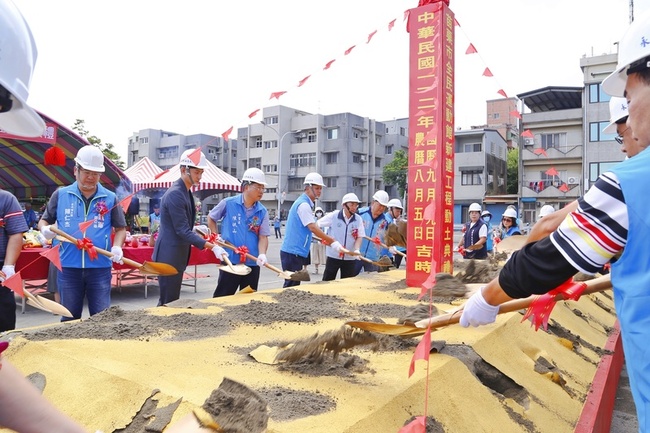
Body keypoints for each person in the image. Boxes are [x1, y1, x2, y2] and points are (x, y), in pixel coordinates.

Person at [459, 12, 650, 430]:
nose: (626, 127)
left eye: (631, 98)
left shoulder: (630, 182)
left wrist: (486, 299)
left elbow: (545, 260)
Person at [38, 145, 127, 321]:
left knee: (102, 318)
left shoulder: (110, 198)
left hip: (100, 267)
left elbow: (121, 228)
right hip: (68, 267)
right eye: (86, 172)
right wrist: (44, 230)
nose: (90, 178)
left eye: (95, 174)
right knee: (69, 317)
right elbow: (44, 220)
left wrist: (117, 247)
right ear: (75, 170)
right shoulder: (61, 194)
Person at [153, 148, 221, 305]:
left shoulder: (185, 191)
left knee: (171, 300)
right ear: (184, 170)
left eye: (201, 173)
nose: (200, 177)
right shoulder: (176, 193)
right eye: (197, 172)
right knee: (167, 302)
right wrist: (211, 246)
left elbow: (182, 225)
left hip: (175, 255)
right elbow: (181, 230)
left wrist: (197, 229)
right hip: (169, 256)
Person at [207, 167, 270, 297]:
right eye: (258, 187)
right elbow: (211, 218)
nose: (261, 191)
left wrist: (262, 254)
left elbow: (263, 237)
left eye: (263, 188)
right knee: (223, 296)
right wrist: (216, 239)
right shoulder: (228, 204)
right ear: (246, 187)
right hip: (231, 260)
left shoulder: (262, 211)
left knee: (248, 300)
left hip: (252, 262)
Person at [280, 172, 341, 287]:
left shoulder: (305, 203)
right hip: (293, 252)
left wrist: (326, 241)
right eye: (317, 188)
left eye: (320, 188)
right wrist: (331, 240)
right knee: (291, 285)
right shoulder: (303, 205)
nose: (319, 191)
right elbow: (312, 227)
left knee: (293, 285)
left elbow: (307, 231)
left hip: (294, 252)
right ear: (307, 188)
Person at [317, 193, 365, 281]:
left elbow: (360, 236)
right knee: (328, 280)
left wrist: (357, 249)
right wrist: (325, 239)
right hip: (333, 255)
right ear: (344, 205)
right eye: (352, 205)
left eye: (356, 205)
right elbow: (317, 225)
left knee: (346, 283)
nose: (354, 207)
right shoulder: (334, 216)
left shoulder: (358, 219)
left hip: (349, 257)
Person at [0, 190, 29, 332]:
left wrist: (8, 266)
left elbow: (16, 234)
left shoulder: (6, 198)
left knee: (4, 320)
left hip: (2, 269)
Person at [355, 190, 392, 274]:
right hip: (357, 254)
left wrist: (391, 247)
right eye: (380, 205)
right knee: (351, 279)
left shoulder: (387, 221)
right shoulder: (359, 214)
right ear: (373, 202)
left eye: (384, 206)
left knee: (371, 282)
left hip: (373, 257)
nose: (382, 208)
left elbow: (390, 238)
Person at [385, 198, 406, 268]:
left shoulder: (392, 220)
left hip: (390, 253)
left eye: (400, 212)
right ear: (391, 209)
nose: (399, 214)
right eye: (397, 211)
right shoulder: (386, 220)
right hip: (384, 254)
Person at [311, 207, 326, 274]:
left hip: (322, 240)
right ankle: (316, 269)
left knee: (323, 255)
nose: (318, 213)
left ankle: (326, 269)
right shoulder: (314, 221)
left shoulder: (324, 220)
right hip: (315, 240)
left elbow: (326, 230)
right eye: (317, 212)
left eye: (320, 212)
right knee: (315, 255)